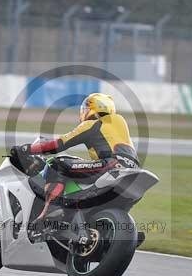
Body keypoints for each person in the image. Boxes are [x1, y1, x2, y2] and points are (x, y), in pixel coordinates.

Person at [15, 92, 139, 224]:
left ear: (92, 110)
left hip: (112, 165)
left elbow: (58, 144)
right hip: (134, 170)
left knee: (57, 163)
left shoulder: (92, 124)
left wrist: (27, 149)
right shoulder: (120, 122)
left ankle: (51, 209)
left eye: (85, 109)